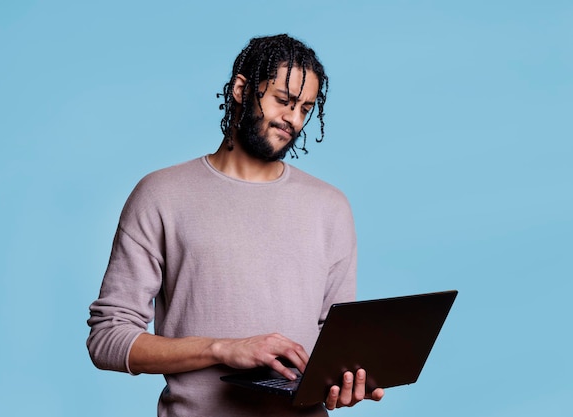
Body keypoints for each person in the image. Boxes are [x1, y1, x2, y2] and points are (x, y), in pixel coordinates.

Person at [87, 34, 384, 416]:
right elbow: (108, 337)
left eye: (305, 109)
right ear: (242, 90)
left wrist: (346, 379)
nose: (293, 120)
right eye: (283, 101)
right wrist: (222, 348)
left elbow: (336, 342)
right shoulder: (160, 194)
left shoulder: (330, 206)